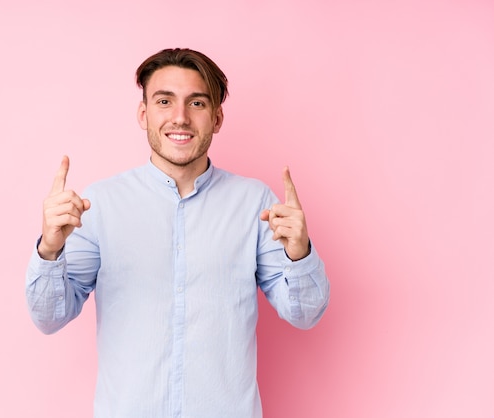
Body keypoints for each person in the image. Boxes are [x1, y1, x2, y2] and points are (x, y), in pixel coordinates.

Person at [26, 48, 330, 418]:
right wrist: (50, 249)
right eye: (164, 101)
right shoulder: (99, 205)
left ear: (217, 118)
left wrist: (300, 253)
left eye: (197, 103)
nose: (180, 118)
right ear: (144, 114)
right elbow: (48, 318)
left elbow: (305, 314)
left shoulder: (255, 204)